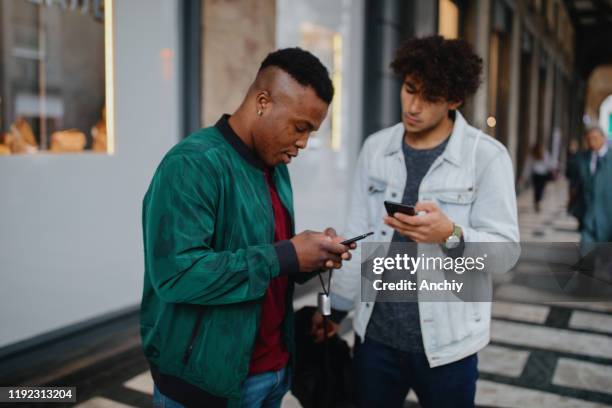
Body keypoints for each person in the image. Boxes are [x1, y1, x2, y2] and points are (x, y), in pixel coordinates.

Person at [141, 47, 355, 408]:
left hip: (273, 373)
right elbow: (177, 275)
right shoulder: (192, 164)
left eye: (311, 132)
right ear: (262, 101)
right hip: (204, 386)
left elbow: (266, 255)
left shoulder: (275, 165)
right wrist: (287, 254)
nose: (303, 143)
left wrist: (311, 255)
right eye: (300, 127)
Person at [314, 36, 519, 408]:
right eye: (409, 90)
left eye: (430, 97)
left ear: (455, 100)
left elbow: (505, 254)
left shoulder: (486, 157)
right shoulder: (376, 148)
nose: (414, 106)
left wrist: (450, 235)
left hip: (448, 347)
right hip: (375, 339)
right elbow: (359, 234)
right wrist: (339, 307)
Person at [569, 126, 612, 242]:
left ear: (603, 138)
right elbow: (575, 181)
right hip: (587, 218)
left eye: (595, 138)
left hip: (608, 219)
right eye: (588, 139)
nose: (592, 142)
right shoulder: (582, 158)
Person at [526, 140, 553, 213]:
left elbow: (528, 166)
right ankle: (538, 202)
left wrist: (526, 175)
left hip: (537, 175)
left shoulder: (540, 154)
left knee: (537, 189)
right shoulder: (543, 153)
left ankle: (537, 202)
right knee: (540, 189)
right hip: (542, 175)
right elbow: (549, 164)